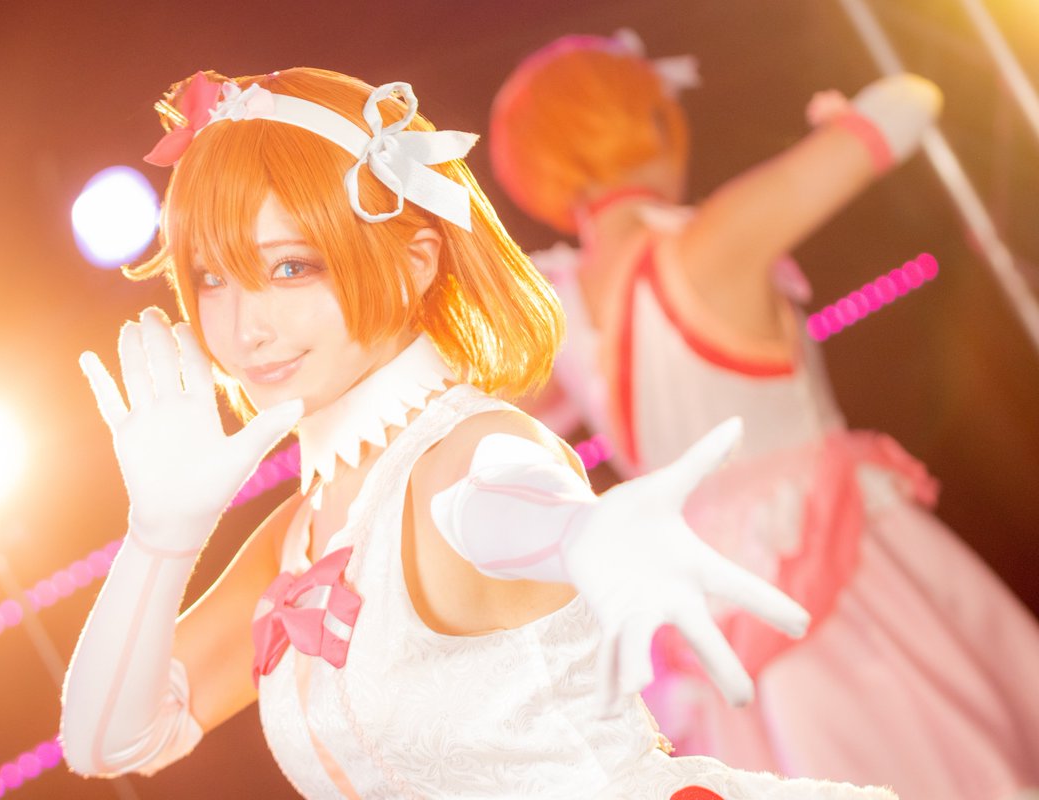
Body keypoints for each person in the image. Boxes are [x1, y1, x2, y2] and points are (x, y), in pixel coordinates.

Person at [55, 67, 910, 799]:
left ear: (414, 260)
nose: (246, 328)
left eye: (290, 266)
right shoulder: (296, 536)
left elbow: (500, 501)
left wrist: (583, 536)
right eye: (213, 278)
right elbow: (107, 743)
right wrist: (161, 535)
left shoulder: (466, 452)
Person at [489, 31, 1039, 800]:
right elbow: (911, 103)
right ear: (652, 119)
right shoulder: (712, 240)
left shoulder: (559, 310)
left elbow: (487, 429)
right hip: (828, 557)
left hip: (706, 605)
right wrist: (841, 122)